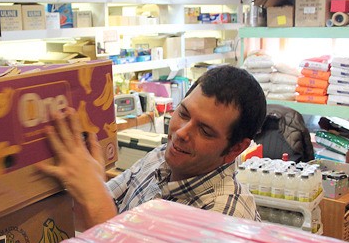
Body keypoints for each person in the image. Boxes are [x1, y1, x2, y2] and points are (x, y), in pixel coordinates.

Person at [37, 65, 267, 230]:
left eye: (205, 131)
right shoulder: (160, 158)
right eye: (183, 114)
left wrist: (94, 193)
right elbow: (89, 215)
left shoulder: (225, 215)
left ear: (235, 149)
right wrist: (87, 184)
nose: (181, 132)